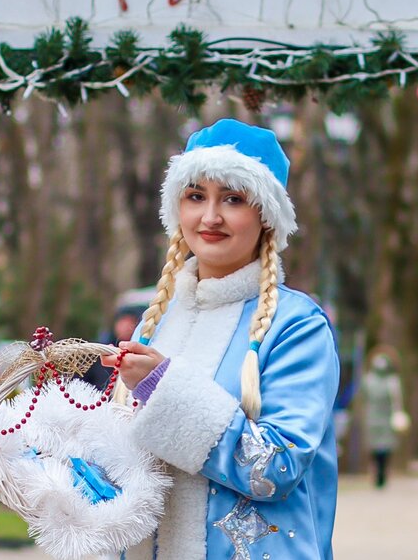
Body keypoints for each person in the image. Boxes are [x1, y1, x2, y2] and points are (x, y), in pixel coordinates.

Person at [101, 118, 340, 560]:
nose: (210, 217)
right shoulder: (154, 324)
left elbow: (275, 467)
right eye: (196, 196)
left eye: (233, 198)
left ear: (266, 216)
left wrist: (161, 388)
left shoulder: (298, 326)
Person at [361, 346, 408, 489]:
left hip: (380, 419)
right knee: (381, 448)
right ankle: (380, 474)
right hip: (378, 418)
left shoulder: (370, 380)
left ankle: (380, 474)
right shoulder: (391, 382)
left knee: (381, 448)